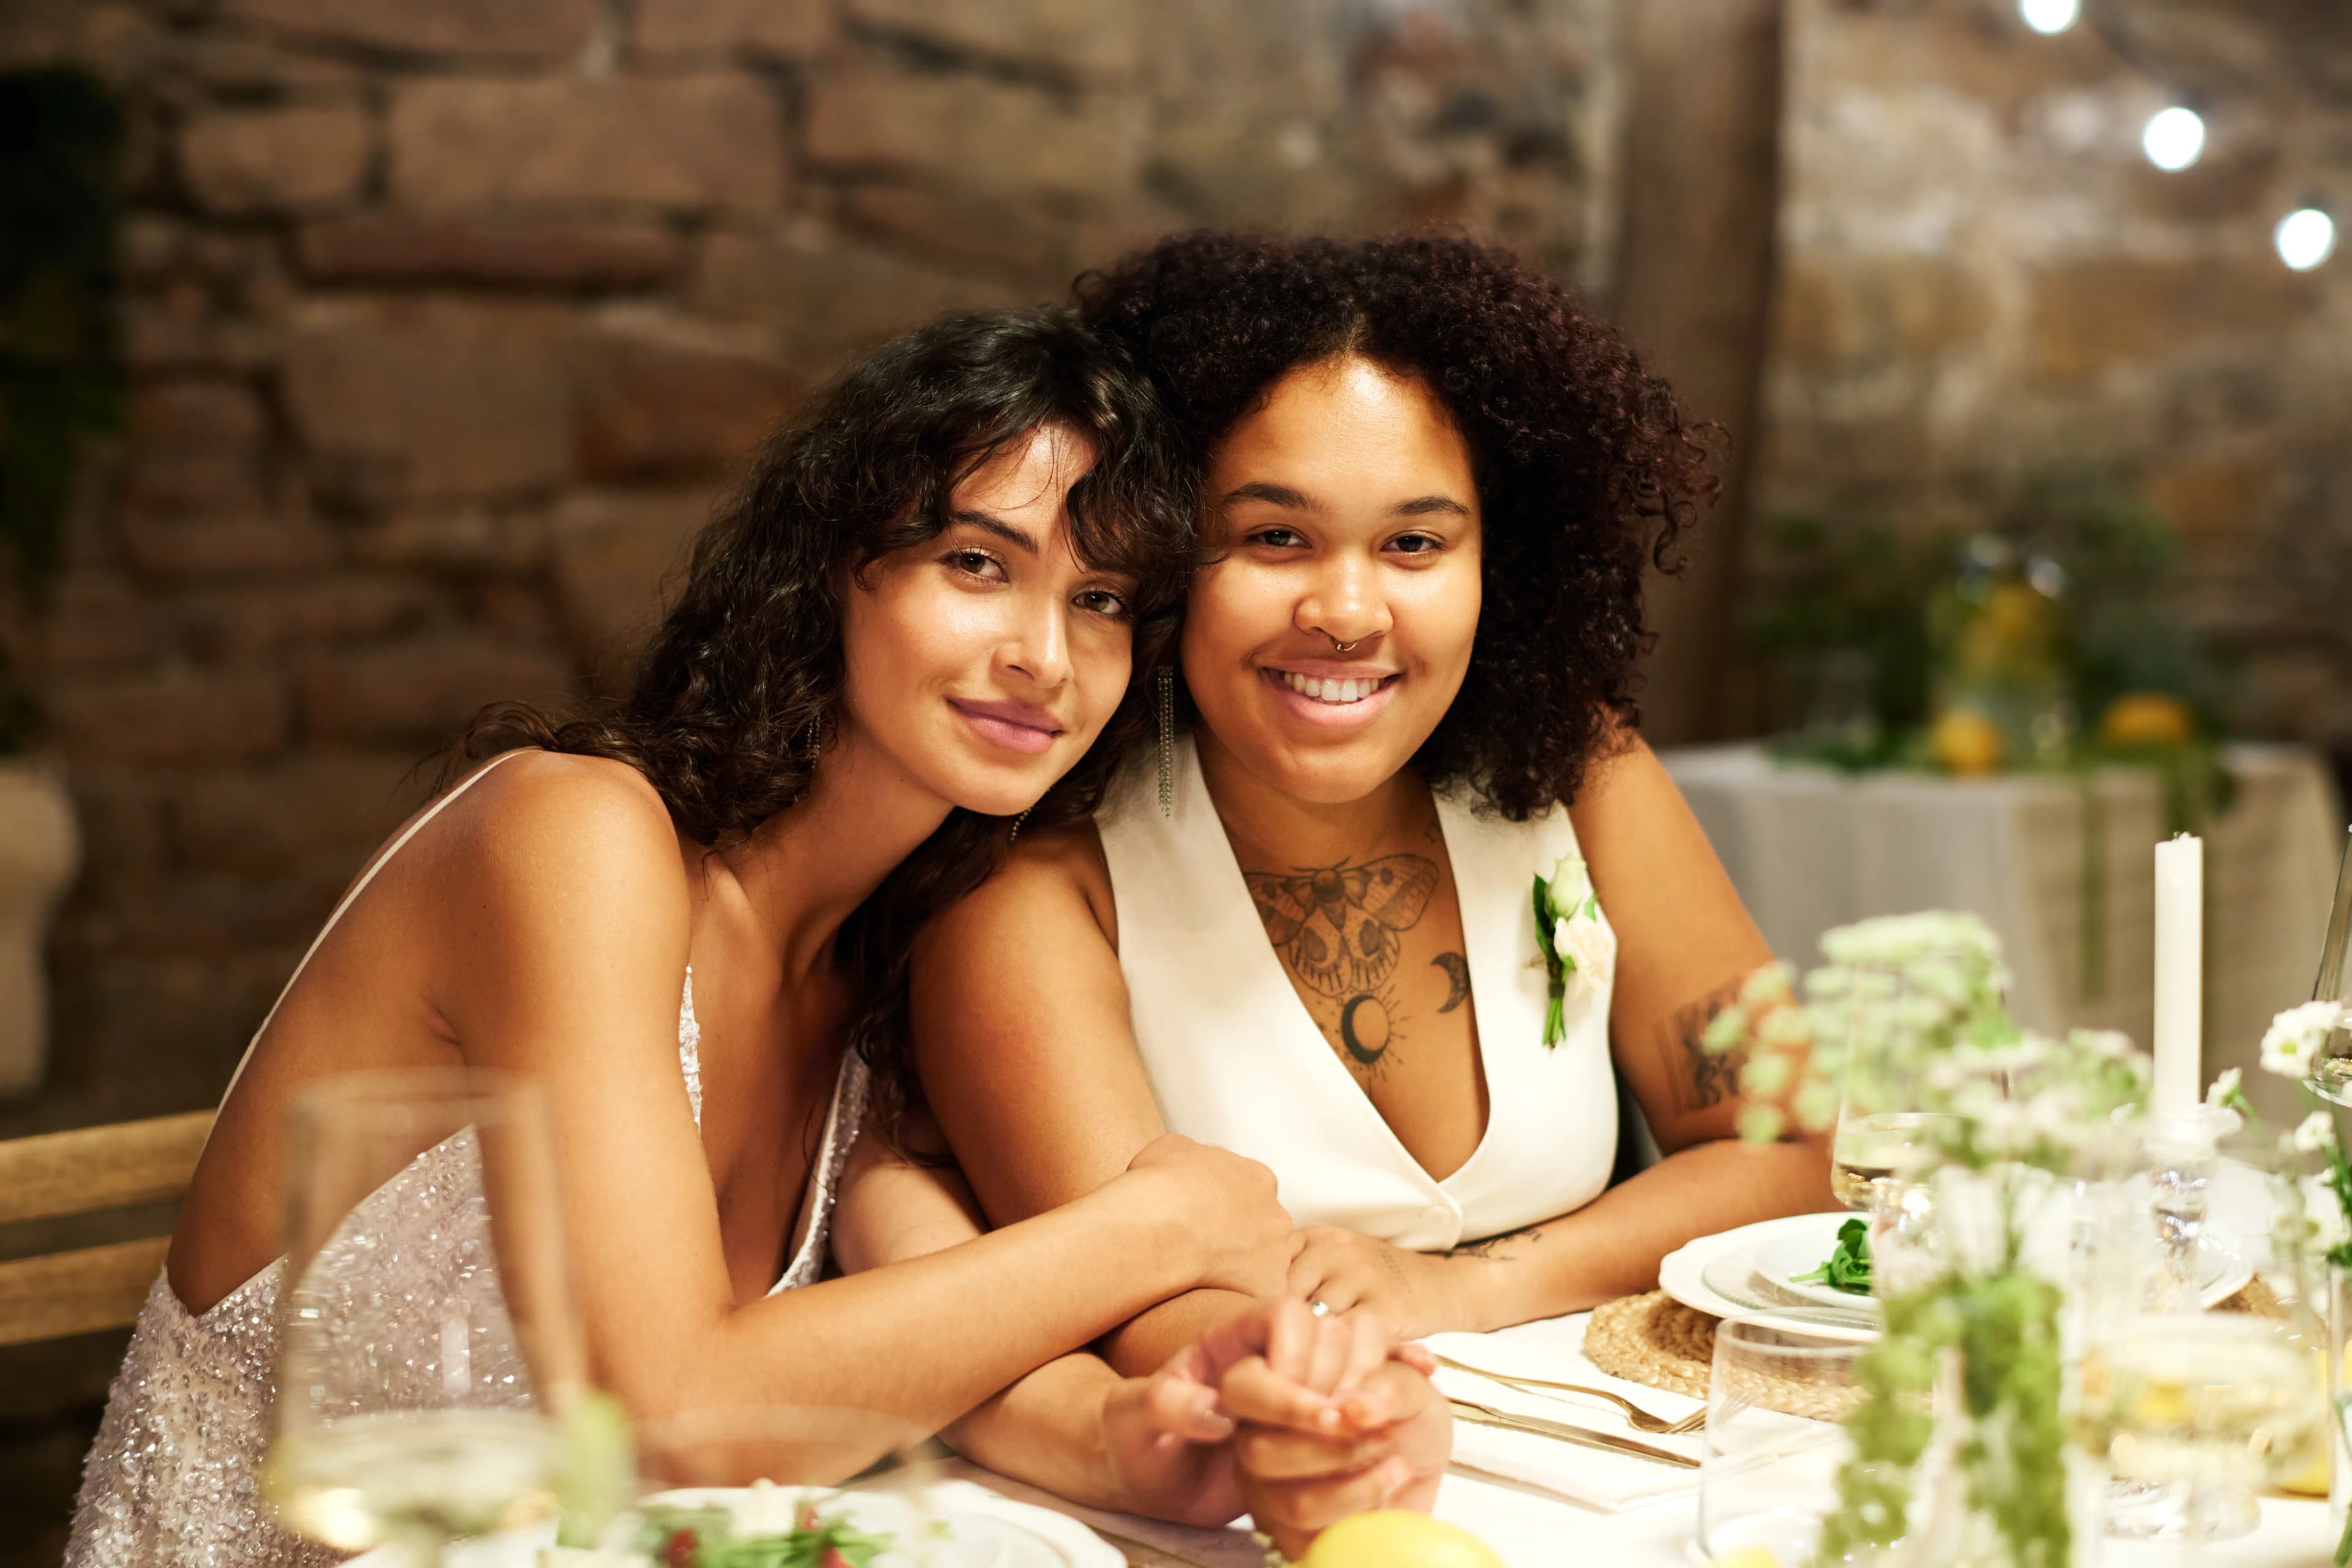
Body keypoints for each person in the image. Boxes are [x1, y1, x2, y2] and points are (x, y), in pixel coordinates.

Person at [66, 307, 1351, 1568]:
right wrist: (1159, 1224)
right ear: (831, 569)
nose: (1045, 656)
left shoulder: (883, 954)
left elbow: (947, 1343)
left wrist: (1145, 1429)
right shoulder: (572, 837)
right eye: (977, 563)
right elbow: (672, 1418)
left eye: (1105, 599)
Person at [908, 234, 1837, 1390]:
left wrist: (1474, 1288)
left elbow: (1797, 1146)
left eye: (1413, 543)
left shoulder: (1576, 774)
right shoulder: (1039, 885)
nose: (1347, 613)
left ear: (1503, 563)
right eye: (1274, 537)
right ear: (1159, 554)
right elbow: (1150, 1326)